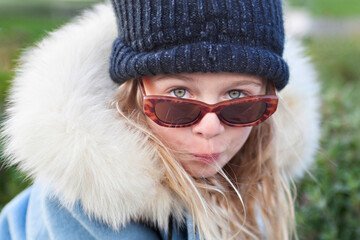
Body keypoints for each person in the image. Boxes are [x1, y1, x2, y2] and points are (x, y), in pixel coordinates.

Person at [0, 0, 320, 239]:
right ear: (133, 95)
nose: (210, 128)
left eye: (238, 98)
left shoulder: (249, 183)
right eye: (178, 96)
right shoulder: (75, 210)